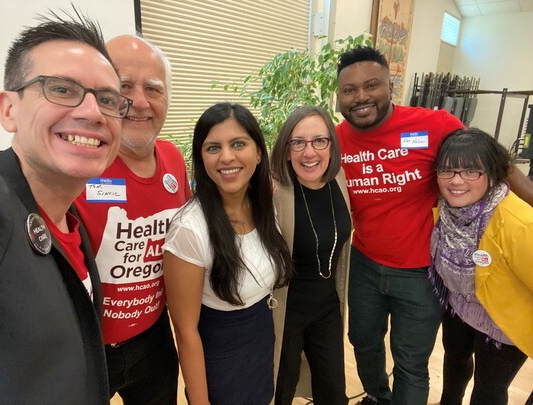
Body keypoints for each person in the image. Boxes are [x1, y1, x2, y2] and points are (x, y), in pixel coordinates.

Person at [336, 46, 533, 405]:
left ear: (390, 86)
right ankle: (377, 397)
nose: (361, 96)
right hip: (364, 263)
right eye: (349, 89)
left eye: (371, 85)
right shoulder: (336, 139)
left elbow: (494, 161)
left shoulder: (433, 124)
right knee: (362, 341)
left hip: (421, 272)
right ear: (338, 96)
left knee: (411, 361)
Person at [0, 10, 129, 404]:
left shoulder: (68, 221)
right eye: (61, 89)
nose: (91, 112)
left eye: (107, 99)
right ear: (9, 108)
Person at [75, 35, 190, 404]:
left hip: (154, 340)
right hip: (87, 350)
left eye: (153, 89)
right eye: (124, 86)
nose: (139, 102)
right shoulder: (76, 165)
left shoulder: (174, 159)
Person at [162, 102, 293, 405]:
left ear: (259, 152)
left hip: (260, 347)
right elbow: (185, 331)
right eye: (213, 148)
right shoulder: (190, 230)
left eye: (238, 144)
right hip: (219, 363)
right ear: (201, 158)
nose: (227, 157)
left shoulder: (263, 206)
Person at [430, 128, 532, 405]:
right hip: (460, 304)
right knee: (454, 365)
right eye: (447, 171)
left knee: (488, 390)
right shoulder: (447, 209)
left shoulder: (520, 224)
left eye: (471, 171)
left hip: (504, 322)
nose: (457, 181)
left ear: (493, 173)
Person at [271, 106, 352, 405]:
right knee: (281, 388)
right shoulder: (274, 191)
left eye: (319, 141)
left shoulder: (338, 180)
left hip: (327, 307)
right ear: (286, 148)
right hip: (286, 310)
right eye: (298, 142)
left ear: (331, 144)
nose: (309, 152)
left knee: (333, 392)